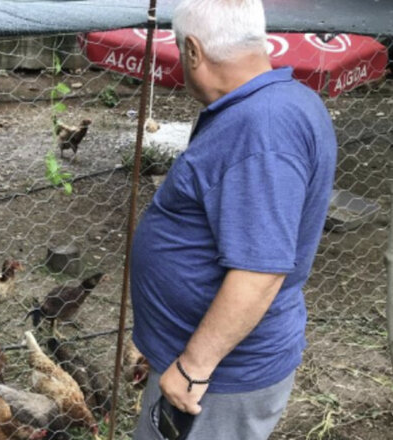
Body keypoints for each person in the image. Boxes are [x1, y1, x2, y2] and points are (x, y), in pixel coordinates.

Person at [130, 0, 337, 439]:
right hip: (203, 367)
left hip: (214, 381)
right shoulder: (282, 101)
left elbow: (260, 270)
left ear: (192, 51)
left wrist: (192, 367)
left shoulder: (262, 128)